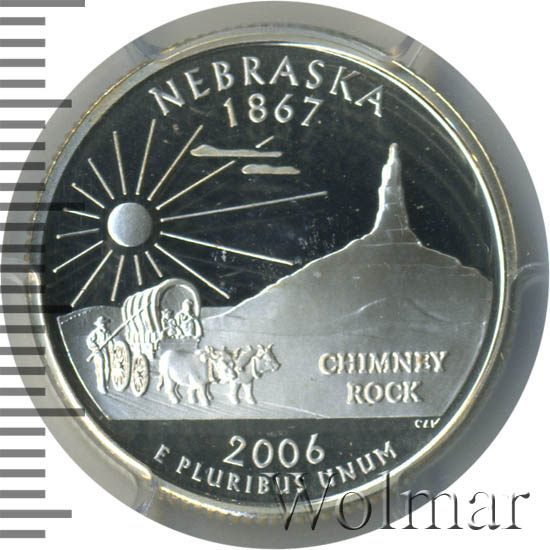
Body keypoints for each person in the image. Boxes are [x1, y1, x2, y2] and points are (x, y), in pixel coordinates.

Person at [86, 316, 114, 394]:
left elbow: (111, 341)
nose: (103, 325)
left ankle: (106, 384)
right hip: (98, 352)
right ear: (98, 324)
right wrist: (95, 348)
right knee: (100, 368)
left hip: (106, 350)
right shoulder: (95, 332)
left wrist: (112, 348)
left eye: (104, 323)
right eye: (102, 323)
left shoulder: (108, 332)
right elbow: (89, 341)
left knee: (107, 367)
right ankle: (101, 387)